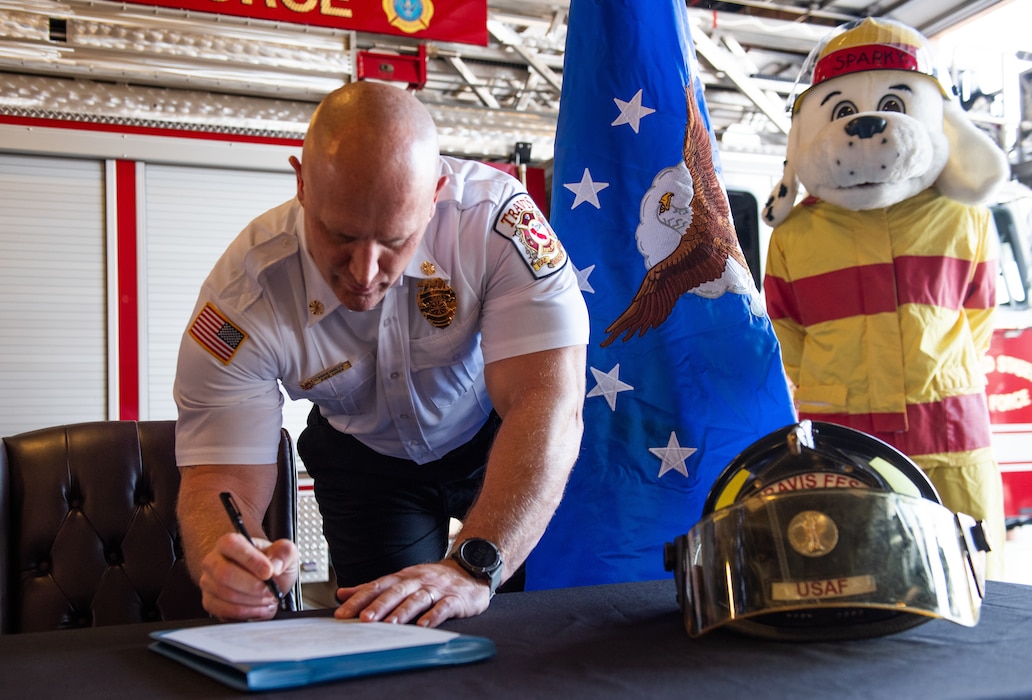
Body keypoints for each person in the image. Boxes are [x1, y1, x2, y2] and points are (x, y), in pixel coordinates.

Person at [173, 81, 589, 627]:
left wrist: (475, 566)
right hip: (365, 461)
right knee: (388, 632)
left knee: (536, 621)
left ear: (435, 194)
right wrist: (224, 556)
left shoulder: (496, 223)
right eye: (339, 235)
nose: (365, 275)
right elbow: (216, 476)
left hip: (499, 436)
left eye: (394, 240)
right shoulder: (244, 296)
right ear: (302, 183)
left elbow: (548, 401)